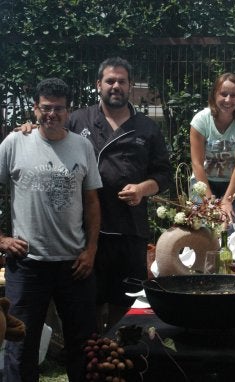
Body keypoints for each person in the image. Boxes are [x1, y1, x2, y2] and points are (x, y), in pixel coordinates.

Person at [0, 78, 102, 381]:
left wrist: (91, 249)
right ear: (35, 109)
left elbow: (92, 201)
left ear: (68, 111)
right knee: (20, 346)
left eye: (58, 109)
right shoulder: (14, 143)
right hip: (27, 265)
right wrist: (1, 239)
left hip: (75, 265)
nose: (52, 114)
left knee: (84, 346)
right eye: (46, 108)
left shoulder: (82, 146)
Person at [68, 57, 172, 331]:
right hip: (85, 228)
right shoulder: (78, 120)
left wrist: (142, 189)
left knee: (124, 304)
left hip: (130, 229)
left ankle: (119, 355)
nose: (116, 86)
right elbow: (50, 142)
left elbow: (164, 175)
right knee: (88, 300)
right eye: (110, 81)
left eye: (121, 81)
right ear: (98, 84)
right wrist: (28, 129)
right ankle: (89, 357)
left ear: (130, 86)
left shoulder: (147, 128)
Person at [190, 72, 235, 223]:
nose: (228, 100)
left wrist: (227, 200)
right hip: (203, 181)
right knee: (204, 225)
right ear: (214, 95)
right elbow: (197, 164)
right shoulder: (200, 120)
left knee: (228, 224)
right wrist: (209, 201)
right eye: (223, 94)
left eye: (234, 95)